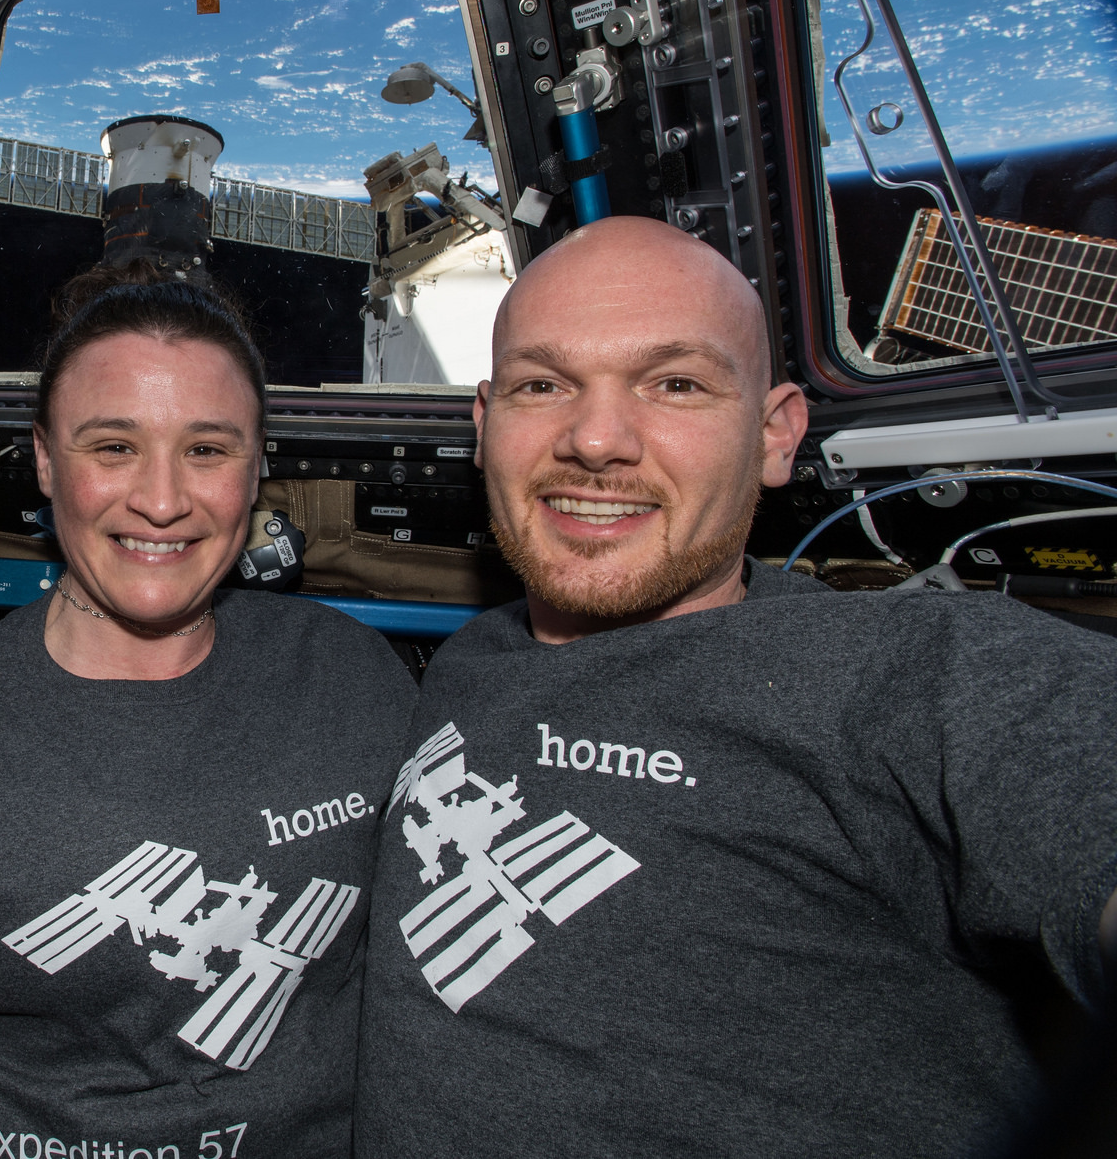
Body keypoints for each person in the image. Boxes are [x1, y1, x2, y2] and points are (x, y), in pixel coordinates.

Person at [354, 216, 1117, 1157]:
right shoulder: (469, 658)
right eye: (542, 385)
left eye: (675, 384)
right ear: (484, 425)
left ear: (773, 434)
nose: (594, 438)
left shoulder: (915, 674)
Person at [0, 263, 418, 1159]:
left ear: (258, 464)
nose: (160, 499)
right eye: (113, 446)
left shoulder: (354, 679)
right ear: (42, 457)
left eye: (208, 449)